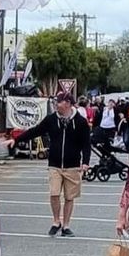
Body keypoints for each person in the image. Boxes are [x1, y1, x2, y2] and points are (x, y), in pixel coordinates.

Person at [13, 91, 92, 235]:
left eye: (59, 102)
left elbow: (86, 144)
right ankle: (56, 221)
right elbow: (35, 131)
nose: (56, 104)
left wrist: (85, 162)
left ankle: (66, 225)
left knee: (69, 196)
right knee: (54, 193)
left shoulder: (80, 122)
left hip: (73, 164)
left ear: (67, 103)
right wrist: (16, 140)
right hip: (54, 164)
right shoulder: (51, 119)